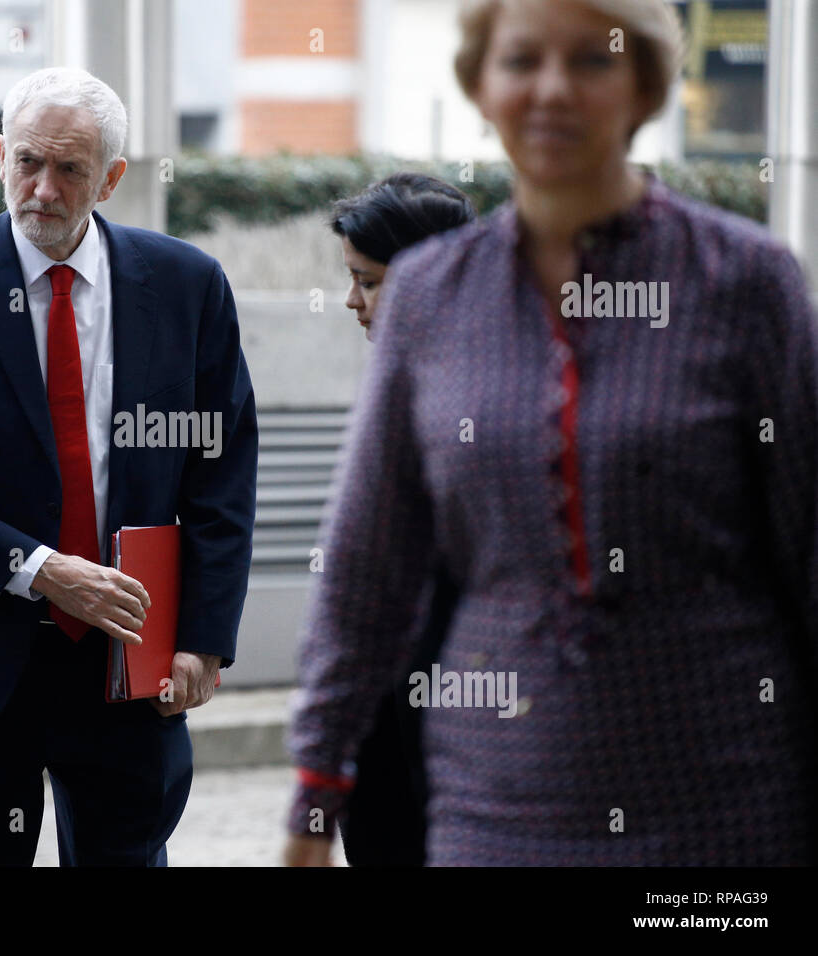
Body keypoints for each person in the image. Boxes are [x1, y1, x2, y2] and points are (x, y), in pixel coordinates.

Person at [287, 0, 818, 866]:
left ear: (646, 87)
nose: (552, 91)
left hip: (725, 800)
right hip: (495, 799)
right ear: (479, 86)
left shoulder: (746, 282)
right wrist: (316, 789)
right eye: (521, 61)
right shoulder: (430, 295)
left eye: (591, 62)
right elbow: (366, 568)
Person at [0, 66, 259, 866]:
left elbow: (220, 476)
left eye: (70, 170)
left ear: (113, 178)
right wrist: (43, 569)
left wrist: (203, 638)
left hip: (130, 664)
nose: (43, 189)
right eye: (27, 161)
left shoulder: (186, 286)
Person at [286, 174, 473, 868]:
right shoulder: (396, 384)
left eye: (368, 281)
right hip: (384, 720)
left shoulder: (509, 394)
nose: (350, 302)